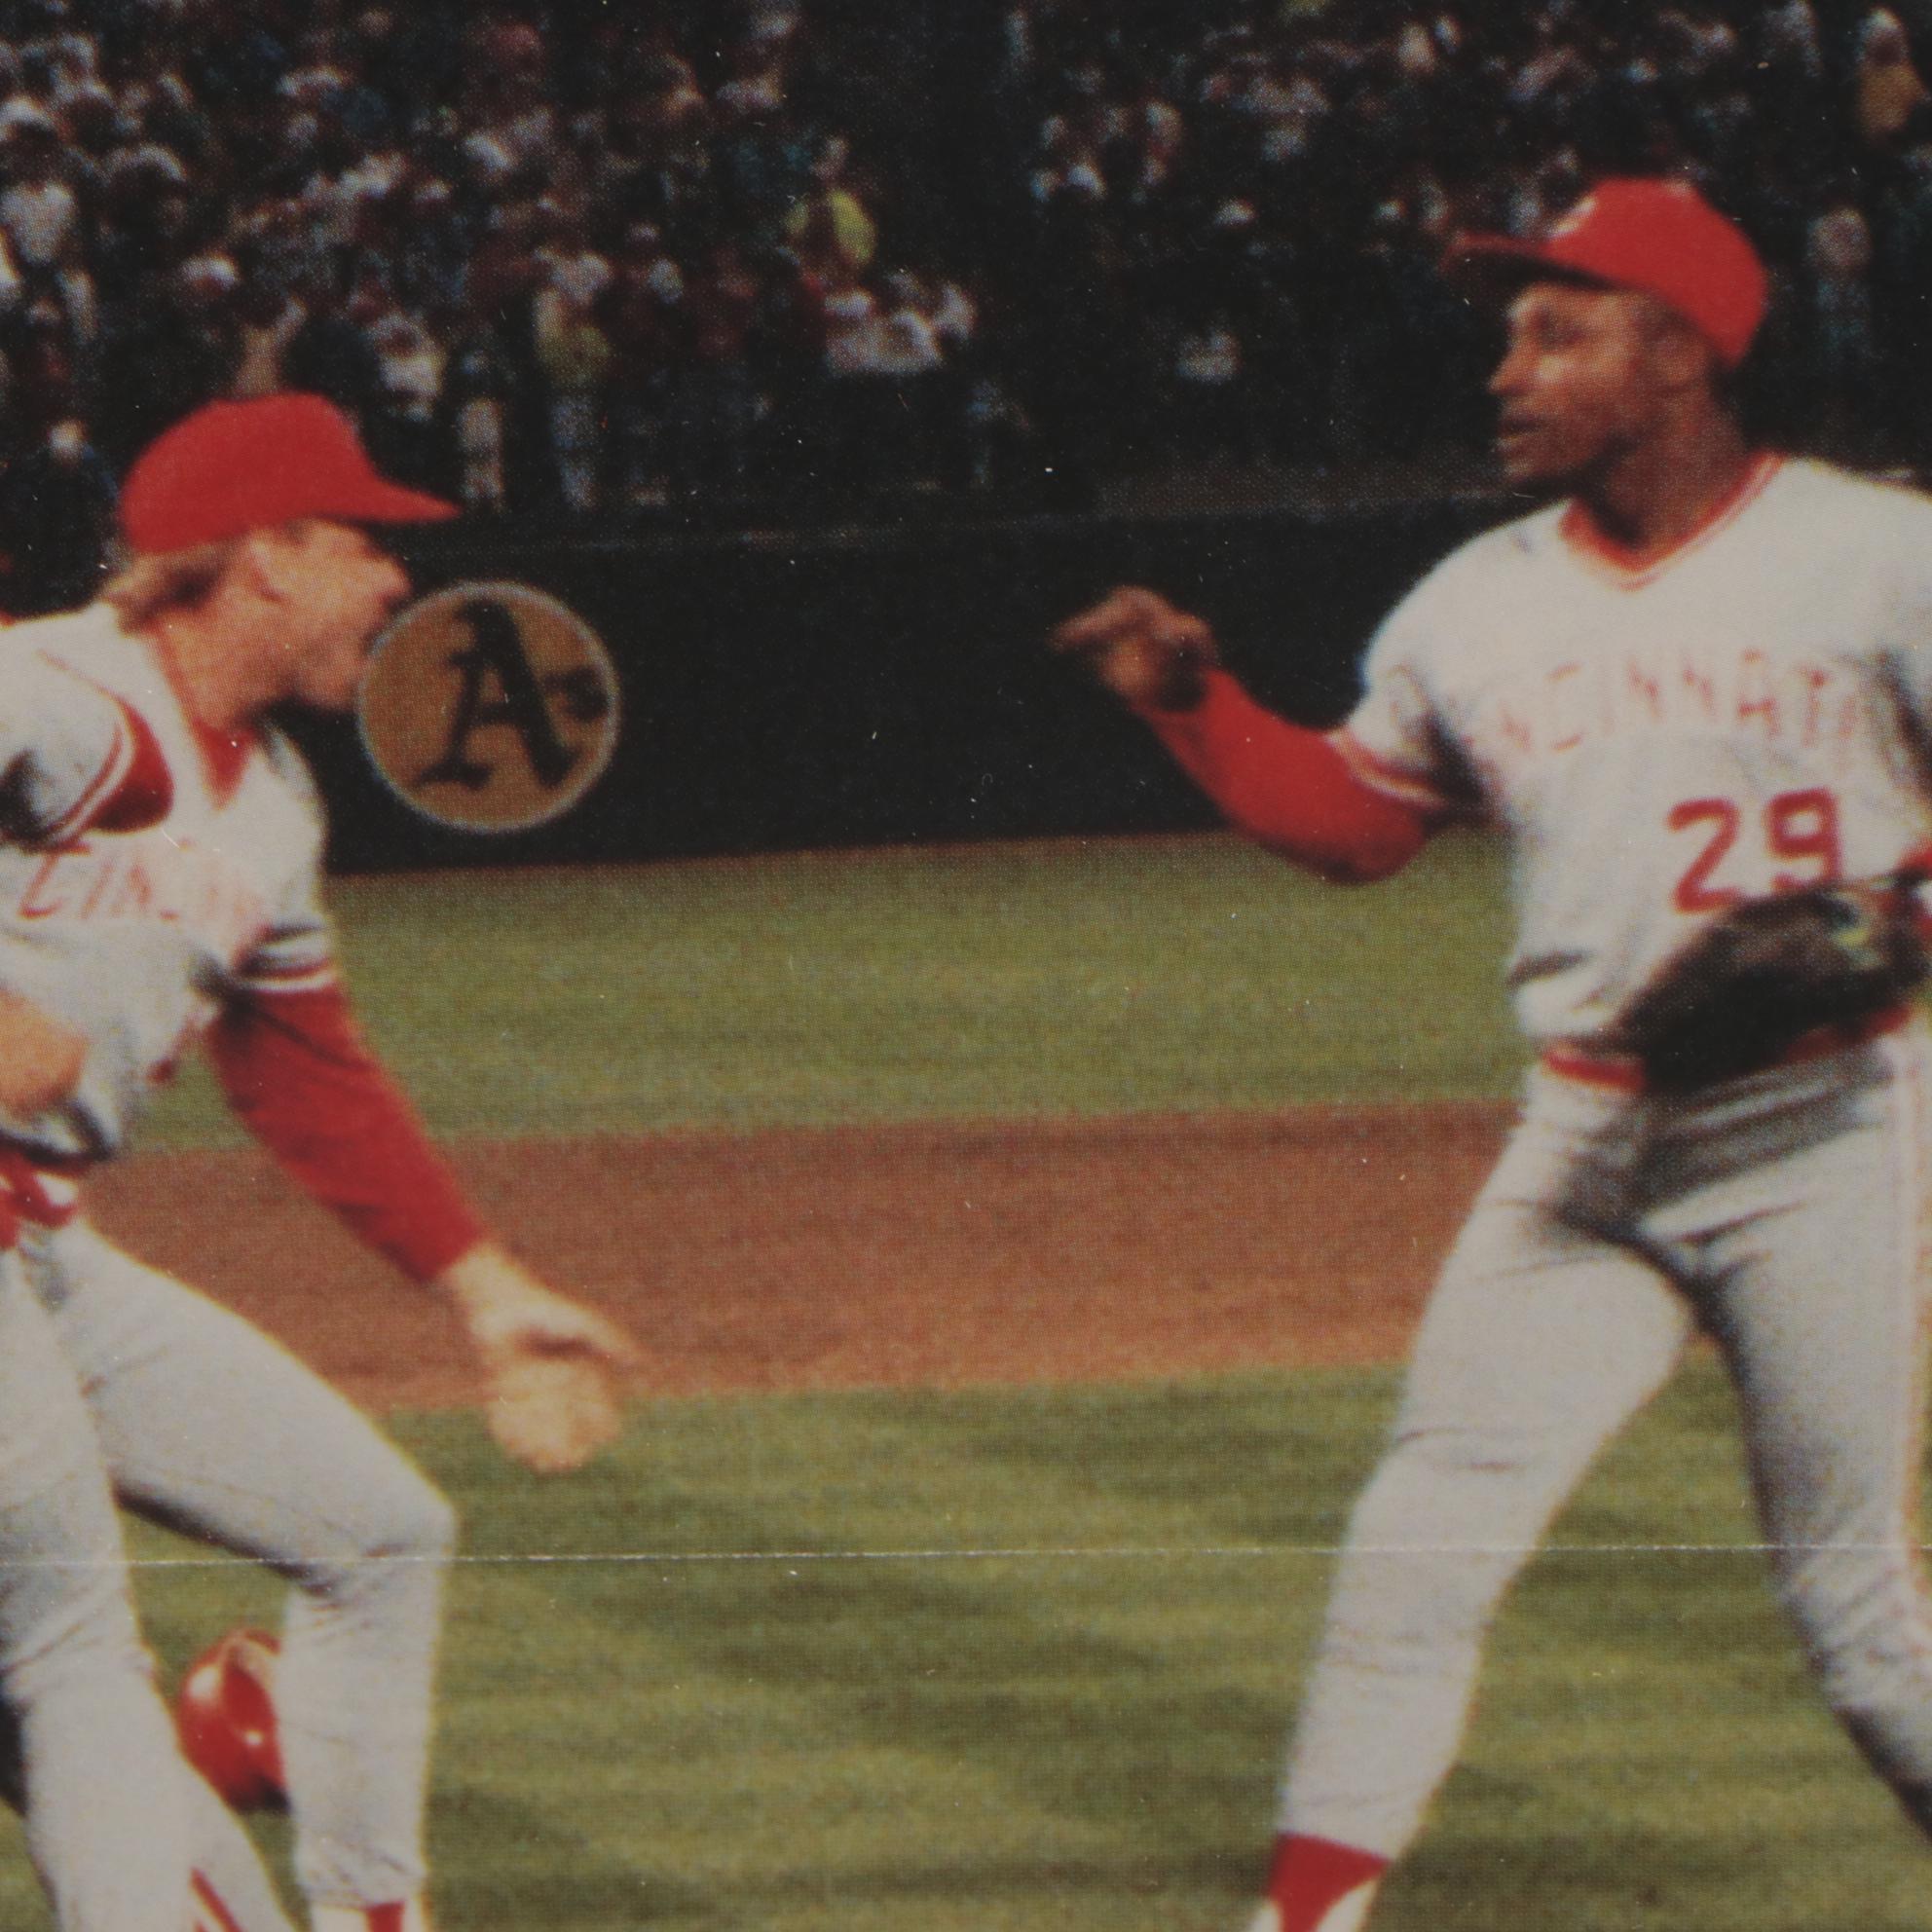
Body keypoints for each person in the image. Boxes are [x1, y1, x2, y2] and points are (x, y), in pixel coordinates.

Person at [1054, 176, 1932, 1931]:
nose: (1505, 367)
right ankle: (1305, 1915)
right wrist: (1193, 706)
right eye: (1508, 331)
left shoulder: (1877, 553)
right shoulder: (1475, 601)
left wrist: (1897, 919)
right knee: (1418, 1537)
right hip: (1588, 1136)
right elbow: (1362, 824)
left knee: (1853, 1608)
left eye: (1557, 327)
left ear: (1677, 351)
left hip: (1823, 1128)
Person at [0, 390, 640, 1932]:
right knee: (69, 1651)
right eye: (365, 543)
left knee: (378, 1533)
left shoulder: (273, 808)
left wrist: (483, 1292)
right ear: (267, 555)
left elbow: (307, 1070)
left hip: (40, 1253)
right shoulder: (71, 694)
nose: (396, 582)